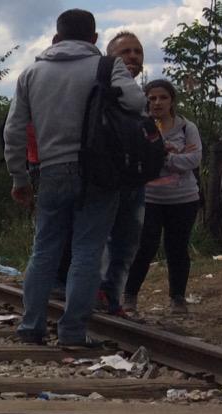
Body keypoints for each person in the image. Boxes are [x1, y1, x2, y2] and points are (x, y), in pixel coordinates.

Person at [2, 9, 145, 346]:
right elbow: (137, 102)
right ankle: (72, 332)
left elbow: (14, 131)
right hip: (98, 172)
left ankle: (31, 327)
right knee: (87, 251)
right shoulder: (107, 67)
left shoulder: (32, 73)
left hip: (51, 170)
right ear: (94, 39)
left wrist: (18, 178)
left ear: (57, 37)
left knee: (44, 249)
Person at [124, 80, 202, 315]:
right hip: (149, 198)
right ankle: (130, 295)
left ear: (172, 101)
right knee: (145, 246)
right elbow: (136, 160)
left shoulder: (188, 128)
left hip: (183, 198)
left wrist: (163, 158)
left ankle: (177, 298)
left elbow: (194, 159)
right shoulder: (141, 127)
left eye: (163, 98)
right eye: (152, 98)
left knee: (177, 248)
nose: (157, 102)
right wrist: (167, 153)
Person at [94, 31, 149, 316]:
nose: (132, 57)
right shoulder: (100, 91)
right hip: (104, 178)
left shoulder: (140, 96)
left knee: (127, 244)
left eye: (137, 52)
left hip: (134, 179)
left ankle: (112, 299)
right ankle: (94, 296)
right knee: (99, 240)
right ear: (109, 58)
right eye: (125, 52)